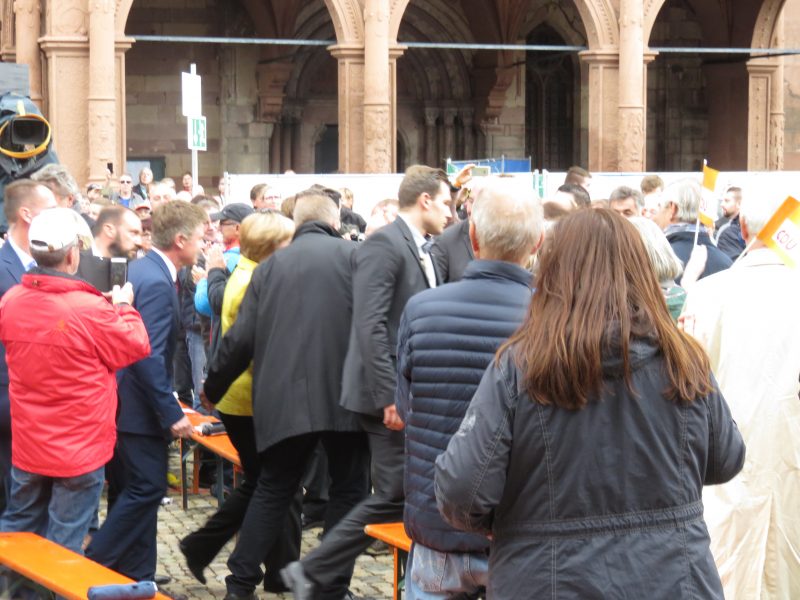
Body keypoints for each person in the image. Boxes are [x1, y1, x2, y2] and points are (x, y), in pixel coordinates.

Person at [435, 208, 745, 599]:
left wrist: (507, 520)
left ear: (552, 272)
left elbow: (462, 492)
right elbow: (726, 458)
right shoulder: (683, 358)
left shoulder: (522, 365)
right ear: (642, 270)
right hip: (673, 578)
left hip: (546, 577)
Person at [282, 165, 452, 600]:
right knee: (395, 491)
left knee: (395, 489)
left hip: (404, 388)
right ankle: (315, 569)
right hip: (384, 393)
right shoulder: (384, 244)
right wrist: (388, 395)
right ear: (425, 200)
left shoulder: (423, 247)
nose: (451, 213)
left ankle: (324, 573)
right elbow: (371, 324)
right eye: (447, 203)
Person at [203, 193, 371, 600]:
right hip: (346, 396)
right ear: (335, 221)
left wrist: (213, 388)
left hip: (284, 397)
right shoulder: (358, 259)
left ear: (296, 222)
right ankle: (329, 586)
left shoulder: (270, 268)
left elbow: (240, 339)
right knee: (348, 491)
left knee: (274, 487)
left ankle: (239, 585)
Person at [396, 179, 544, 599]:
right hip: (519, 530)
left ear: (473, 236)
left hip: (439, 523)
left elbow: (407, 409)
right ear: (538, 240)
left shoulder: (422, 310)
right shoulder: (555, 322)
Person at [0, 208, 149, 553]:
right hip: (78, 448)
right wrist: (124, 306)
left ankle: (18, 591)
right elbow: (136, 345)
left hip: (30, 441)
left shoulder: (11, 301)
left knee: (18, 529)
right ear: (72, 255)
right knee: (64, 543)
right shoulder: (90, 309)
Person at [681, 189, 800, 599]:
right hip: (787, 462)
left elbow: (680, 386)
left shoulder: (706, 294)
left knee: (725, 571)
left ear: (744, 228)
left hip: (719, 464)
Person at [85, 201, 207, 581]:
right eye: (201, 238)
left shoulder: (145, 270)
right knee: (146, 489)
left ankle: (138, 575)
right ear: (181, 240)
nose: (204, 246)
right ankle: (92, 564)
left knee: (129, 491)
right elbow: (145, 354)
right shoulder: (154, 279)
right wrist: (170, 413)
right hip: (136, 410)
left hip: (126, 405)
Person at [180, 211, 299, 590]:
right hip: (249, 399)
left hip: (241, 398)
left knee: (265, 482)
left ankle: (216, 552)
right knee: (270, 484)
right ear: (271, 247)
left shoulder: (246, 271)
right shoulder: (252, 279)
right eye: (287, 243)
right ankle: (223, 558)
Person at [0, 180, 57, 516]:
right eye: (50, 210)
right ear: (27, 214)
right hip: (8, 404)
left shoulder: (46, 266)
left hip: (43, 404)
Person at [652, 179, 732, 283]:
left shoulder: (658, 258)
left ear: (673, 208)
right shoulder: (726, 262)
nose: (655, 217)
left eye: (659, 207)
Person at [714, 185, 745, 260]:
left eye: (727, 201)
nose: (722, 204)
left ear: (739, 204)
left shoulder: (726, 232)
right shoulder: (724, 227)